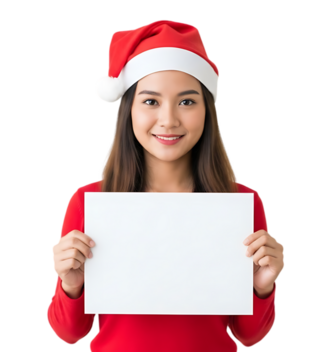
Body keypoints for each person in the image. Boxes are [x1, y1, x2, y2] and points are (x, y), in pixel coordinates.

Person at [47, 18, 285, 350]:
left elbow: (249, 336)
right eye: (151, 101)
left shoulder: (242, 202)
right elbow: (69, 334)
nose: (169, 120)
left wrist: (262, 285)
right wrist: (70, 283)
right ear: (129, 109)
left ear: (207, 111)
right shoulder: (89, 200)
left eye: (187, 101)